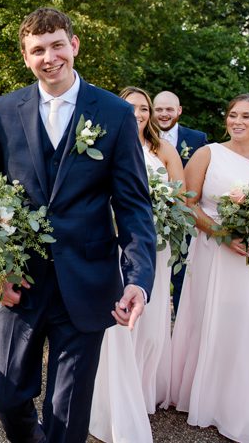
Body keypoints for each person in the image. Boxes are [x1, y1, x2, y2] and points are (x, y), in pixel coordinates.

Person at [0, 8, 157, 442]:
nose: (49, 56)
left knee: (68, 409)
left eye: (57, 45)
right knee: (5, 394)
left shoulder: (113, 113)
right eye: (38, 50)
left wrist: (139, 278)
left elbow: (133, 204)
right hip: (20, 280)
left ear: (74, 46)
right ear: (26, 57)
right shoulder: (2, 112)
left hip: (88, 279)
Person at [168, 93, 249, 442]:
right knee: (211, 315)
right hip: (214, 250)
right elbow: (186, 202)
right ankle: (204, 394)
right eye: (231, 115)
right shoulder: (207, 154)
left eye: (245, 116)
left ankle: (244, 398)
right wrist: (222, 233)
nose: (237, 121)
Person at [89, 87, 185, 443]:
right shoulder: (104, 142)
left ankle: (144, 391)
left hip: (154, 246)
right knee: (118, 321)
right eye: (131, 107)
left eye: (144, 108)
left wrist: (161, 210)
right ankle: (114, 395)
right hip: (114, 243)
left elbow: (182, 196)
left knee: (153, 323)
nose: (139, 114)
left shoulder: (164, 150)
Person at [152, 90, 208, 312]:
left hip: (184, 217)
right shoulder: (138, 136)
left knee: (182, 271)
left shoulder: (197, 139)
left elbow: (205, 177)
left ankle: (183, 318)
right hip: (150, 216)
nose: (164, 114)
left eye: (169, 109)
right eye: (159, 109)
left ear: (179, 111)